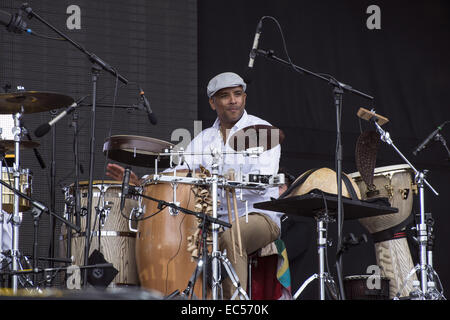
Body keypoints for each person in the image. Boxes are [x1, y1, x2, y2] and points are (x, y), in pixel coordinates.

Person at [106, 72, 282, 299]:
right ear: (212, 102)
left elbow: (263, 181)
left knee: (231, 236)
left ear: (244, 98)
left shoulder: (261, 130)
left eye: (238, 94)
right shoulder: (204, 139)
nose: (233, 100)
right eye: (225, 96)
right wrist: (141, 182)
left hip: (258, 216)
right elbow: (178, 174)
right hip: (213, 221)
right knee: (179, 236)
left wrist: (222, 180)